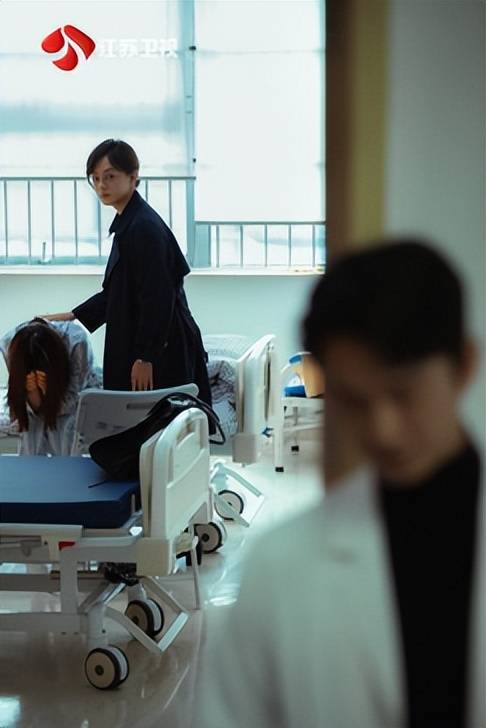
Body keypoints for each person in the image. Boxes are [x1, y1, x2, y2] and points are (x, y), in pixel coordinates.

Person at [195, 239, 484, 728]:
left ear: (464, 366)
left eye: (402, 393)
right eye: (354, 401)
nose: (382, 430)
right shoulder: (280, 568)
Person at [43, 139, 211, 403]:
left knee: (148, 418)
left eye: (110, 176)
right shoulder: (129, 222)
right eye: (95, 178)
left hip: (162, 349)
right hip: (144, 341)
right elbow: (118, 293)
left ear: (133, 177)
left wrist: (146, 357)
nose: (101, 185)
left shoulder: (143, 227)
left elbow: (159, 297)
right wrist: (73, 316)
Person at [0, 318, 100, 455]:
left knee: (64, 425)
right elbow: (20, 400)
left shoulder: (77, 343)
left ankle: (64, 465)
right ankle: (31, 465)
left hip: (72, 390)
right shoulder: (10, 344)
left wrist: (49, 392)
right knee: (31, 424)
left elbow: (73, 399)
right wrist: (33, 393)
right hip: (36, 400)